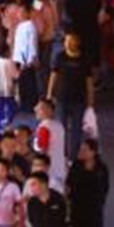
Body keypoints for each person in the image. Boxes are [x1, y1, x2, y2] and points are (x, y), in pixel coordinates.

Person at [49, 29, 96, 161]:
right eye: (66, 41)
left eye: (72, 40)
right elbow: (53, 76)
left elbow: (89, 81)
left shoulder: (84, 59)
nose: (68, 43)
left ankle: (73, 157)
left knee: (76, 130)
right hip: (61, 98)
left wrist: (91, 100)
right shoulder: (60, 57)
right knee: (61, 128)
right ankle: (61, 154)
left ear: (77, 42)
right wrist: (49, 93)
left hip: (79, 99)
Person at [65, 139, 110, 227]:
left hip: (94, 211)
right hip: (77, 209)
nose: (81, 152)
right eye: (80, 149)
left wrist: (100, 201)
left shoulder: (101, 168)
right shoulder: (76, 166)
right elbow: (68, 184)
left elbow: (105, 188)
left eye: (85, 150)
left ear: (93, 152)